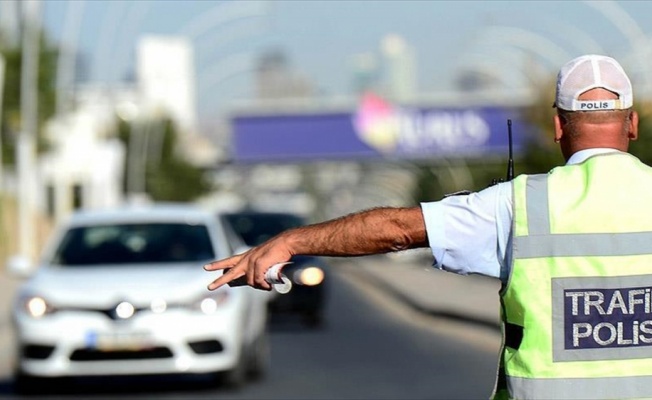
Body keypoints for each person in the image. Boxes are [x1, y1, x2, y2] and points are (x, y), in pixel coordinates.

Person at [205, 54, 651, 399]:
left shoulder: (520, 204)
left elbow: (396, 229)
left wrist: (291, 240)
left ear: (557, 126)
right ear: (632, 123)